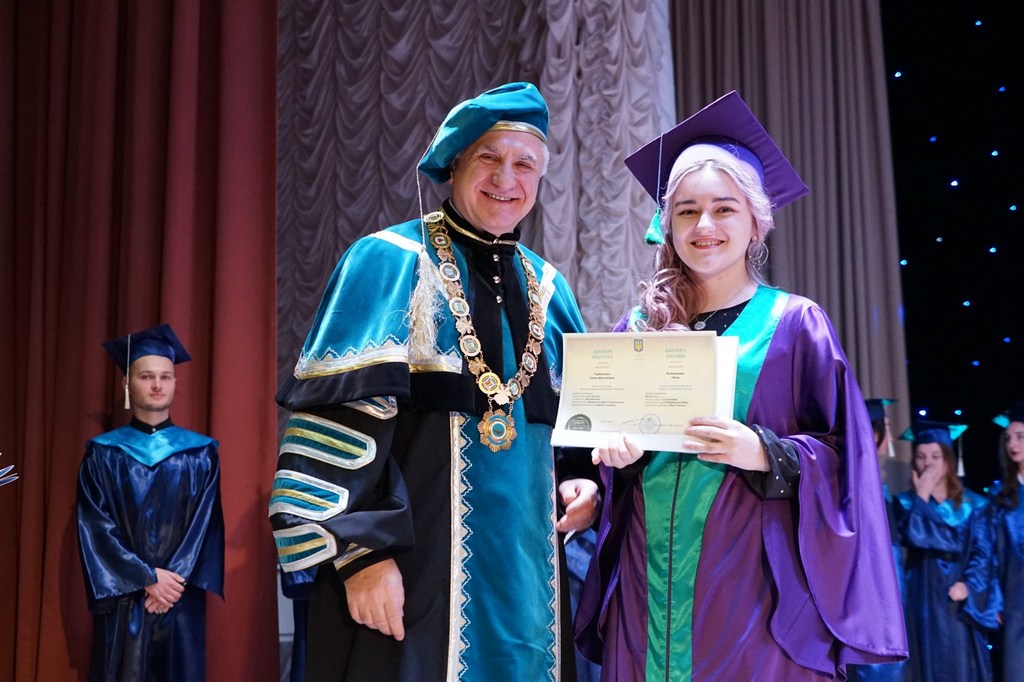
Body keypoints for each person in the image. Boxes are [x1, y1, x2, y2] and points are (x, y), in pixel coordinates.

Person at [269, 82, 598, 681]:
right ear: (454, 166)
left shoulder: (553, 292)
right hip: (411, 580)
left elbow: (574, 433)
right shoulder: (388, 262)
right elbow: (331, 428)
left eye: (525, 164)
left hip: (529, 588)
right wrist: (360, 556)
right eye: (488, 157)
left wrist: (583, 481)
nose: (506, 178)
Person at [574, 91, 907, 680]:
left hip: (756, 590)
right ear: (666, 225)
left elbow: (847, 461)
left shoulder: (796, 325)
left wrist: (764, 451)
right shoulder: (639, 329)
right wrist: (615, 459)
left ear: (757, 221)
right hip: (647, 585)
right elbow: (615, 462)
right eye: (686, 211)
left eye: (724, 209)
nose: (704, 226)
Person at [76, 323, 224, 681]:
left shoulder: (200, 452)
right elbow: (95, 526)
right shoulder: (103, 453)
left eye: (165, 376)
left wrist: (170, 584)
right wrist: (145, 577)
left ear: (174, 383)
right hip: (126, 596)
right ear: (127, 384)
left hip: (178, 597)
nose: (157, 385)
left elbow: (205, 525)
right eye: (146, 376)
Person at [893, 420, 992, 681]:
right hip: (920, 599)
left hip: (956, 602)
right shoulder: (903, 503)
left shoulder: (974, 505)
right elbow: (913, 536)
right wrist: (922, 497)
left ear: (948, 461)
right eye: (921, 456)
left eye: (935, 456)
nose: (928, 463)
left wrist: (969, 584)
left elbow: (982, 553)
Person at [848, 398, 909, 682]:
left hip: (887, 572)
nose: (890, 437)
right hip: (876, 576)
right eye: (886, 428)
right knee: (879, 651)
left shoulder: (873, 479)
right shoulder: (860, 479)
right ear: (873, 434)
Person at [964, 401, 1024, 681]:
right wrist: (995, 600)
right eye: (1008, 437)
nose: (1012, 444)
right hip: (1016, 603)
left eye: (1020, 436)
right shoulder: (1001, 498)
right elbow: (988, 553)